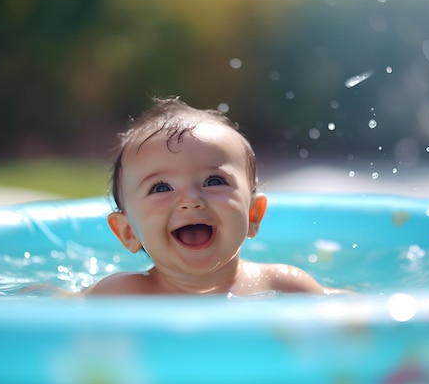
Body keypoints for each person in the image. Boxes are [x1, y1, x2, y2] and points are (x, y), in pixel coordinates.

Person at [85, 97, 350, 296]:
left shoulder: (283, 286)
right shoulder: (122, 295)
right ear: (128, 232)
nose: (190, 199)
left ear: (253, 214)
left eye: (214, 181)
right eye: (161, 188)